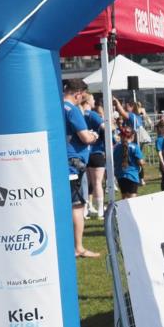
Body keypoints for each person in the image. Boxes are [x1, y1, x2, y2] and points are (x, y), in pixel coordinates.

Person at [64, 79, 100, 257]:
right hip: (74, 166)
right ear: (78, 93)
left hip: (64, 163)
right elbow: (85, 137)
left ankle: (71, 245)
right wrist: (93, 135)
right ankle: (78, 247)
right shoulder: (73, 110)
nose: (82, 100)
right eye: (82, 96)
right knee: (77, 206)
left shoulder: (57, 107)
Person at [81, 94, 106, 218]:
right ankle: (101, 209)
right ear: (87, 101)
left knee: (87, 183)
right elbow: (104, 127)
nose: (94, 101)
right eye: (92, 99)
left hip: (85, 153)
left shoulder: (79, 114)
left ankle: (87, 208)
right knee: (97, 182)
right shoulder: (92, 115)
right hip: (96, 152)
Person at [112, 124, 144, 200]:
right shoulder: (134, 147)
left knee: (124, 198)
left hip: (120, 175)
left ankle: (124, 212)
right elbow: (140, 162)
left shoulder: (116, 147)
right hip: (132, 175)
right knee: (132, 199)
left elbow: (114, 160)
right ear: (133, 136)